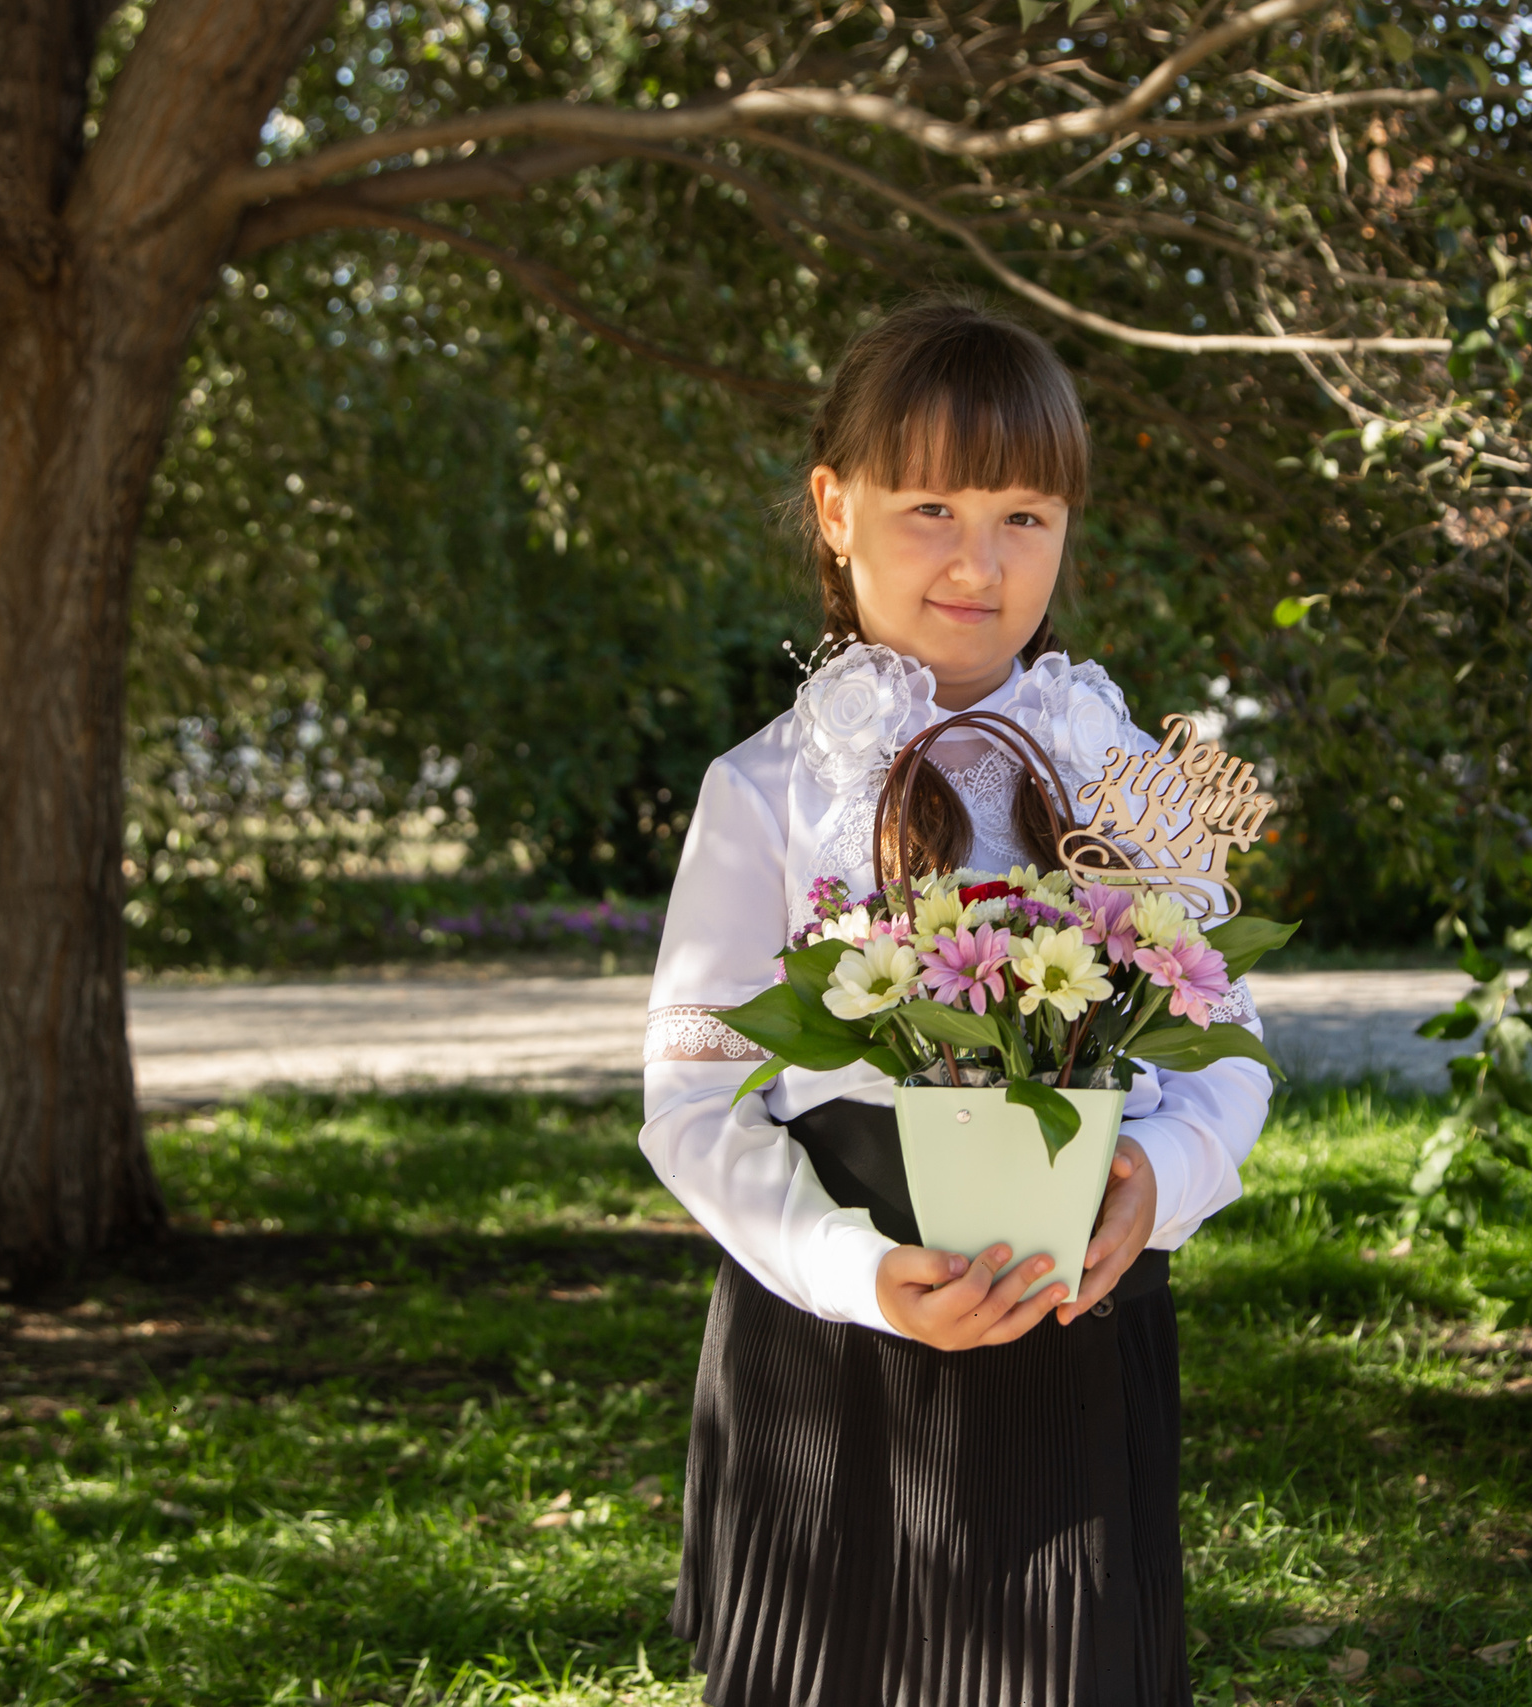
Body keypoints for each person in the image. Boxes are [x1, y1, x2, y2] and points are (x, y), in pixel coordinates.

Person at [640, 296, 1271, 1707]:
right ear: (836, 509)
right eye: (930, 506)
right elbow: (692, 1103)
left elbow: (1230, 1055)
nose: (979, 562)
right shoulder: (765, 790)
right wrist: (851, 1272)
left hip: (1072, 1326)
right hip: (835, 1340)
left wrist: (1161, 1182)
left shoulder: (1127, 779)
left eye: (1024, 516)